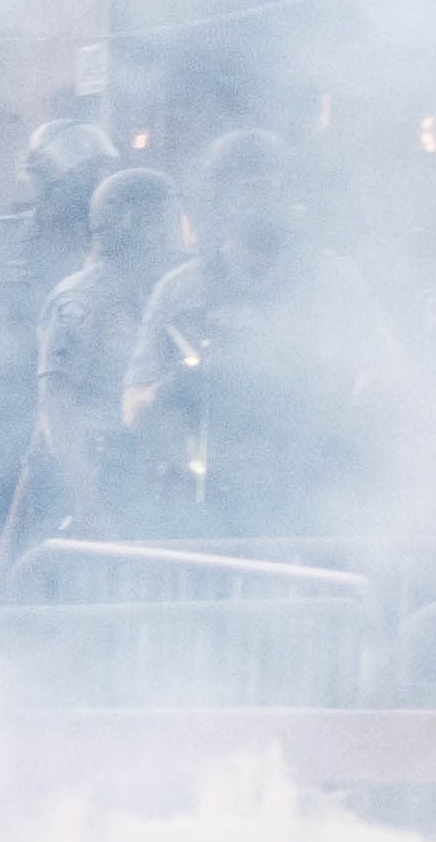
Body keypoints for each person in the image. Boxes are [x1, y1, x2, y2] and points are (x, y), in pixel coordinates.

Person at [124, 126, 393, 542]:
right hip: (208, 516)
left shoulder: (334, 280)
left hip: (316, 510)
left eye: (268, 186)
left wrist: (344, 430)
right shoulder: (181, 292)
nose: (256, 201)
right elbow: (132, 407)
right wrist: (174, 391)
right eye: (241, 188)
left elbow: (386, 379)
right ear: (219, 198)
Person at [0, 118, 120, 552]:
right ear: (54, 179)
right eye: (89, 176)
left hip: (76, 426)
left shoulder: (101, 252)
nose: (97, 188)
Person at [3, 164, 185, 555]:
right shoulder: (81, 299)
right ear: (128, 224)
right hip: (87, 479)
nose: (170, 236)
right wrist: (85, 502)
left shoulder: (159, 295)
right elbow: (58, 402)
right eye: (159, 223)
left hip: (140, 478)